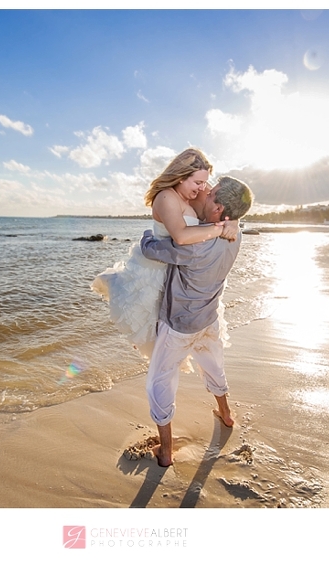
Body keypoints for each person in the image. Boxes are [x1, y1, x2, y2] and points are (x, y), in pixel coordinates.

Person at [138, 176, 254, 467]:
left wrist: (146, 236)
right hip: (209, 318)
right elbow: (226, 225)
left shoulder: (195, 244)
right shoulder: (235, 234)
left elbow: (152, 250)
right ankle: (226, 414)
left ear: (220, 212)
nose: (205, 192)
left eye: (211, 193)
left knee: (159, 381)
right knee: (214, 367)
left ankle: (165, 451)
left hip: (179, 325)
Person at [91, 148, 237, 358]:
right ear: (180, 177)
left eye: (205, 182)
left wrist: (234, 220)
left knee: (190, 335)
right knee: (153, 333)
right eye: (198, 183)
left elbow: (226, 206)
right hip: (157, 267)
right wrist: (221, 229)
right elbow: (180, 236)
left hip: (180, 270)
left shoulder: (199, 189)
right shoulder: (166, 197)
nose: (203, 188)